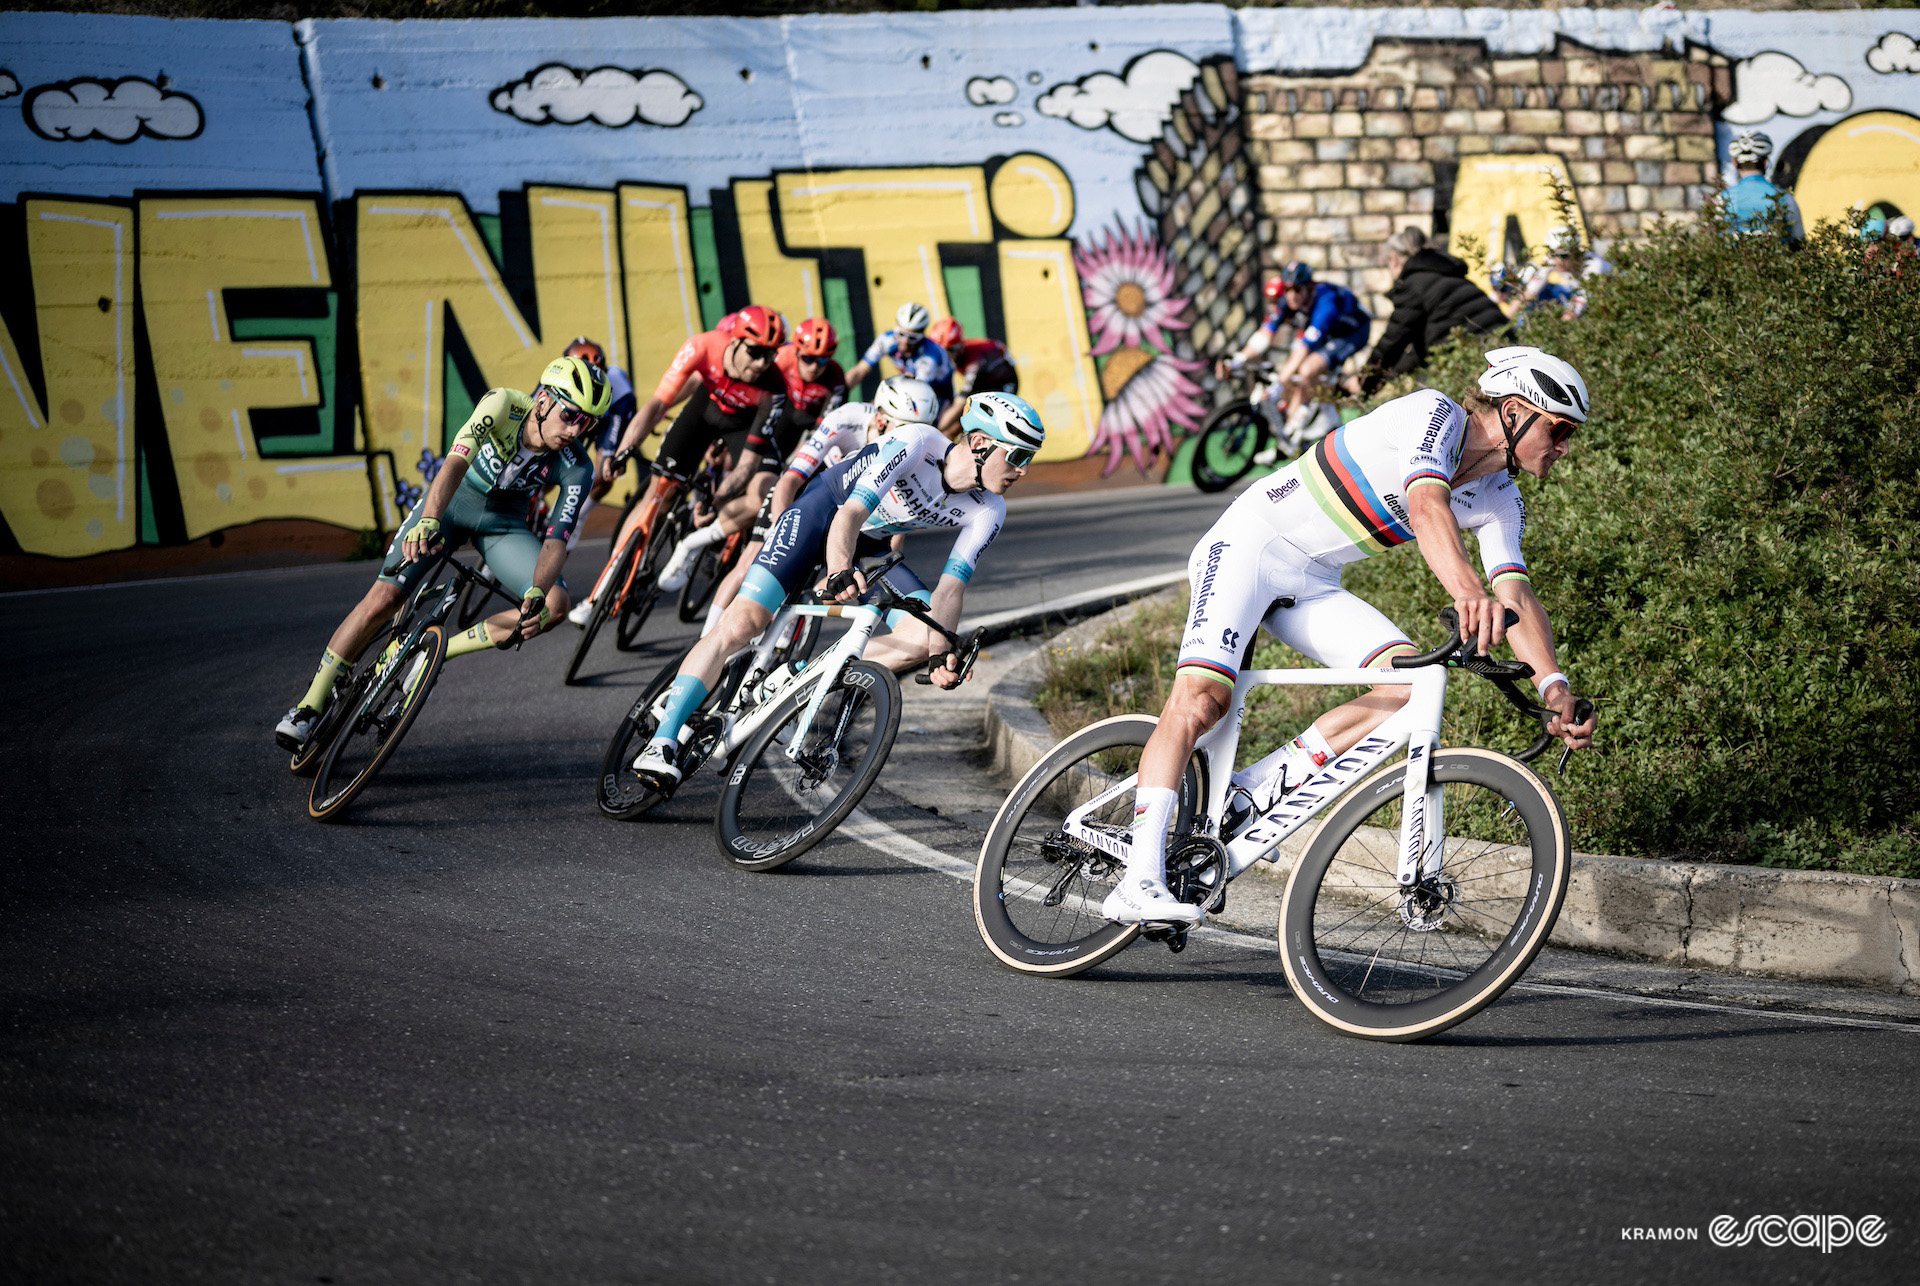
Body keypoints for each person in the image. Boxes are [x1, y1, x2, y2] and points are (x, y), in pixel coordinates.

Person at [1105, 345, 1598, 925]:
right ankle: (1137, 877)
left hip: (1313, 581)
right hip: (1249, 546)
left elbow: (1515, 594)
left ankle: (1248, 793)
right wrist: (1467, 591)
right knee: (1201, 700)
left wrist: (1554, 687)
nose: (1565, 447)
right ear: (1514, 411)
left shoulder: (1499, 499)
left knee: (1408, 690)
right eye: (1560, 429)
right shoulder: (1433, 415)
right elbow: (1425, 503)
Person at [630, 391, 1044, 795]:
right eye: (1019, 456)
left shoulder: (990, 508)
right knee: (744, 624)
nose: (1024, 471)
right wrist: (838, 570)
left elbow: (951, 587)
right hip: (821, 514)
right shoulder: (917, 442)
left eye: (1030, 460)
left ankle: (800, 674)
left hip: (871, 544)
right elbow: (850, 513)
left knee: (920, 637)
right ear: (979, 444)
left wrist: (941, 651)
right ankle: (661, 742)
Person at [275, 355, 607, 751]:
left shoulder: (577, 468)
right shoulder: (503, 405)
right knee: (385, 597)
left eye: (587, 423)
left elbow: (557, 539)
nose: (575, 429)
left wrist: (536, 590)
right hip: (451, 504)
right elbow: (453, 463)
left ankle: (437, 653)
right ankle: (310, 705)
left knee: (554, 603)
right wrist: (429, 520)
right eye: (570, 415)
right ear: (543, 402)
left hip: (502, 525)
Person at [567, 305, 789, 627]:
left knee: (752, 490)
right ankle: (599, 591)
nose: (761, 364)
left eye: (770, 356)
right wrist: (624, 451)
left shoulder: (774, 387)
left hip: (741, 427)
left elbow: (749, 463)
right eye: (755, 352)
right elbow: (657, 405)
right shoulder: (703, 346)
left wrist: (717, 498)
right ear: (736, 340)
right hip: (704, 411)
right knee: (660, 492)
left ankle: (691, 542)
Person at [689, 375, 940, 634]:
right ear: (880, 420)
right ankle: (707, 634)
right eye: (906, 430)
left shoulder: (916, 452)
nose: (916, 439)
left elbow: (896, 527)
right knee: (752, 559)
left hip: (848, 510)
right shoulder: (847, 419)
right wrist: (780, 528)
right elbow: (790, 480)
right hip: (807, 491)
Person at [651, 316, 849, 595]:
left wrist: (803, 464)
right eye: (808, 359)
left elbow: (826, 431)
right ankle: (710, 508)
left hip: (800, 432)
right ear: (797, 352)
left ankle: (719, 533)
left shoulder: (836, 379)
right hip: (762, 422)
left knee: (770, 487)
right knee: (733, 462)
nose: (815, 368)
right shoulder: (779, 362)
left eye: (822, 362)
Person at [1216, 262, 1371, 442]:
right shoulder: (1288, 301)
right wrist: (1239, 358)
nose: (1291, 295)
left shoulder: (1326, 303)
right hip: (1328, 331)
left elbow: (1305, 349)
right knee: (1292, 369)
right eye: (1288, 289)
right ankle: (1301, 420)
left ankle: (1315, 416)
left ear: (1309, 288)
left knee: (1307, 369)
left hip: (1353, 332)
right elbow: (1266, 333)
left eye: (1297, 289)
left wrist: (1279, 383)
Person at [1360, 227, 1508, 394]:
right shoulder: (1446, 274)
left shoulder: (1414, 285)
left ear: (1394, 259)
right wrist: (1389, 376)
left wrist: (1363, 383)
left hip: (1478, 361)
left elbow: (1393, 341)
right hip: (1504, 347)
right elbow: (1419, 349)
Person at [553, 337, 637, 549]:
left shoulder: (620, 390)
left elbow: (614, 433)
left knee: (606, 472)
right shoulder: (555, 375)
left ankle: (578, 517)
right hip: (571, 414)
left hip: (605, 419)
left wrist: (609, 457)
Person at [845, 302, 956, 408]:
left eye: (912, 338)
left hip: (939, 390)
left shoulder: (929, 357)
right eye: (901, 334)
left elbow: (916, 392)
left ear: (922, 336)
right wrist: (840, 392)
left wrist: (877, 404)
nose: (905, 341)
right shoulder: (886, 340)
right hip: (912, 381)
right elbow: (859, 371)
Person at [928, 317, 1018, 437]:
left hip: (1002, 382)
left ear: (956, 348)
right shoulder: (958, 352)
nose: (941, 356)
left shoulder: (974, 362)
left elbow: (960, 403)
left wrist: (933, 431)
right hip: (985, 377)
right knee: (954, 425)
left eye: (946, 352)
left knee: (973, 425)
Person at [1722, 131, 1804, 243]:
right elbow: (1799, 238)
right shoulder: (1784, 197)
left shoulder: (1722, 198)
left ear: (1734, 163)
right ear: (1765, 162)